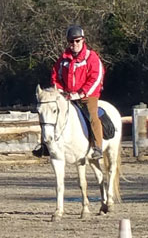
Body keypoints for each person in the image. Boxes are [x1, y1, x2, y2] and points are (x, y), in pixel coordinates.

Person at [33, 25, 105, 159]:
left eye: (77, 41)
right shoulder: (63, 59)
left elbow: (96, 77)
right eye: (71, 41)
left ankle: (97, 147)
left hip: (87, 95)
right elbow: (56, 77)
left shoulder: (91, 57)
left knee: (92, 115)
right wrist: (59, 90)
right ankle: (46, 145)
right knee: (50, 114)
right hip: (67, 94)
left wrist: (81, 93)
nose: (74, 44)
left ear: (83, 40)